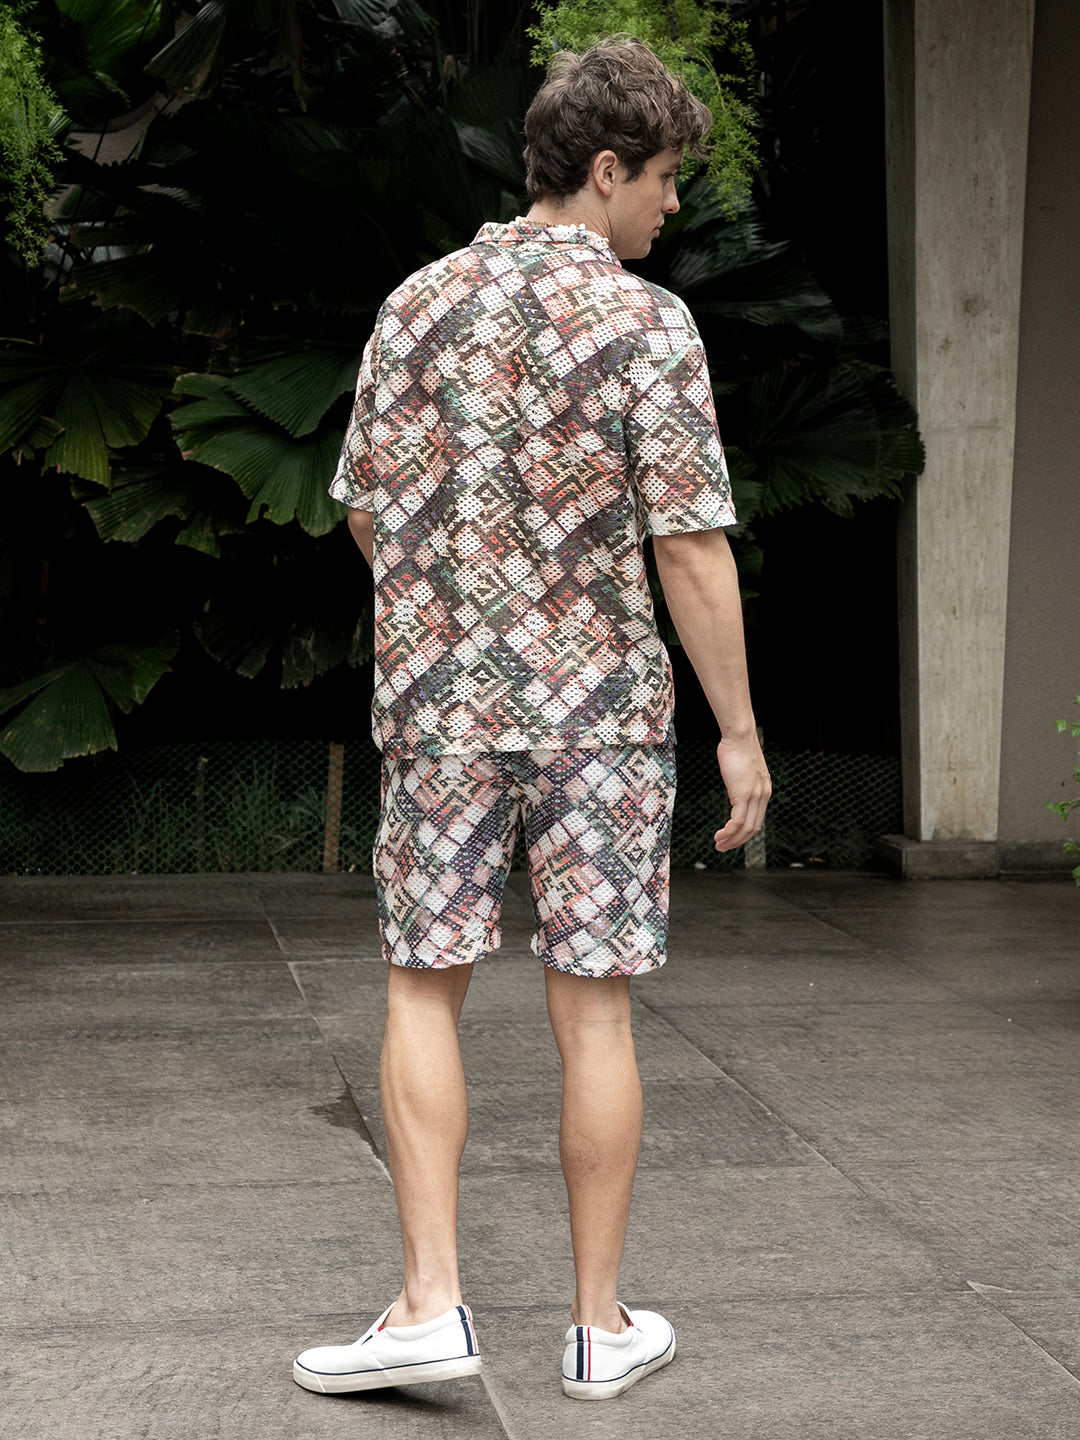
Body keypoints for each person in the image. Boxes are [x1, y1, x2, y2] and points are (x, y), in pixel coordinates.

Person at [293, 35, 770, 1403]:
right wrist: (737, 731)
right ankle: (598, 1327)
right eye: (664, 178)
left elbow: (370, 512)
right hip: (604, 722)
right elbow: (689, 546)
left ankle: (429, 1305)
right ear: (605, 169)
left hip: (441, 708)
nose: (670, 205)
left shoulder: (418, 305)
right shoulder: (648, 324)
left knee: (421, 986)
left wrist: (457, 615)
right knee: (596, 1015)